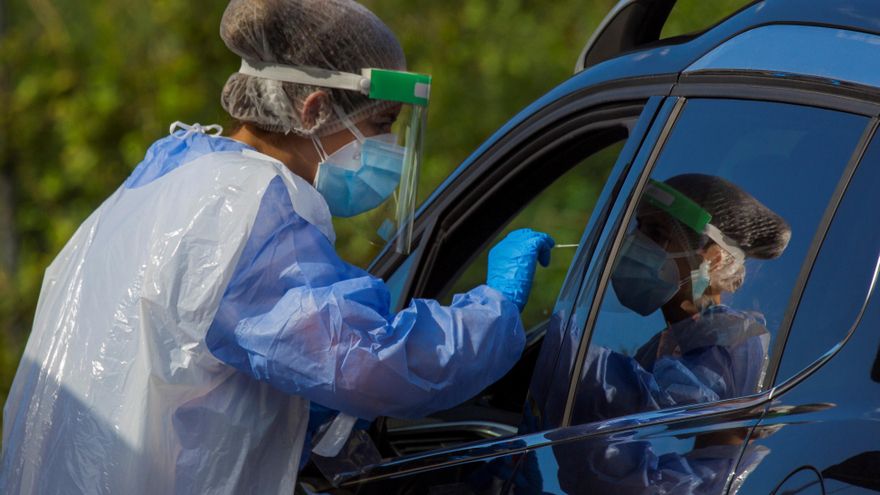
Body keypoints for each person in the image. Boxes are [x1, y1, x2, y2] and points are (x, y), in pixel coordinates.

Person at [0, 1, 555, 493]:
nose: (390, 148)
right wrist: (496, 309)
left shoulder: (168, 177)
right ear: (312, 110)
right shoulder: (246, 210)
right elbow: (370, 365)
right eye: (382, 124)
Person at [572, 173, 792, 423]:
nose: (636, 243)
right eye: (639, 228)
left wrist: (568, 354)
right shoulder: (668, 341)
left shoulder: (728, 341)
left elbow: (657, 421)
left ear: (714, 258)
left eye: (656, 233)